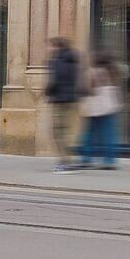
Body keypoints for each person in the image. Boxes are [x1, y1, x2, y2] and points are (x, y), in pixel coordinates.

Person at [42, 37, 83, 169]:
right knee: (65, 131)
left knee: (56, 132)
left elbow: (54, 81)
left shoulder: (57, 61)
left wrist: (47, 92)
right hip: (71, 99)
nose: (49, 49)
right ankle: (67, 160)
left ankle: (65, 161)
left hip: (59, 100)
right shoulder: (73, 60)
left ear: (56, 47)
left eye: (51, 46)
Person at [77, 56, 123, 171]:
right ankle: (109, 160)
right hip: (110, 106)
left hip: (95, 108)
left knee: (89, 134)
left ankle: (86, 159)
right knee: (109, 135)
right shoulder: (112, 71)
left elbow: (88, 89)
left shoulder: (92, 72)